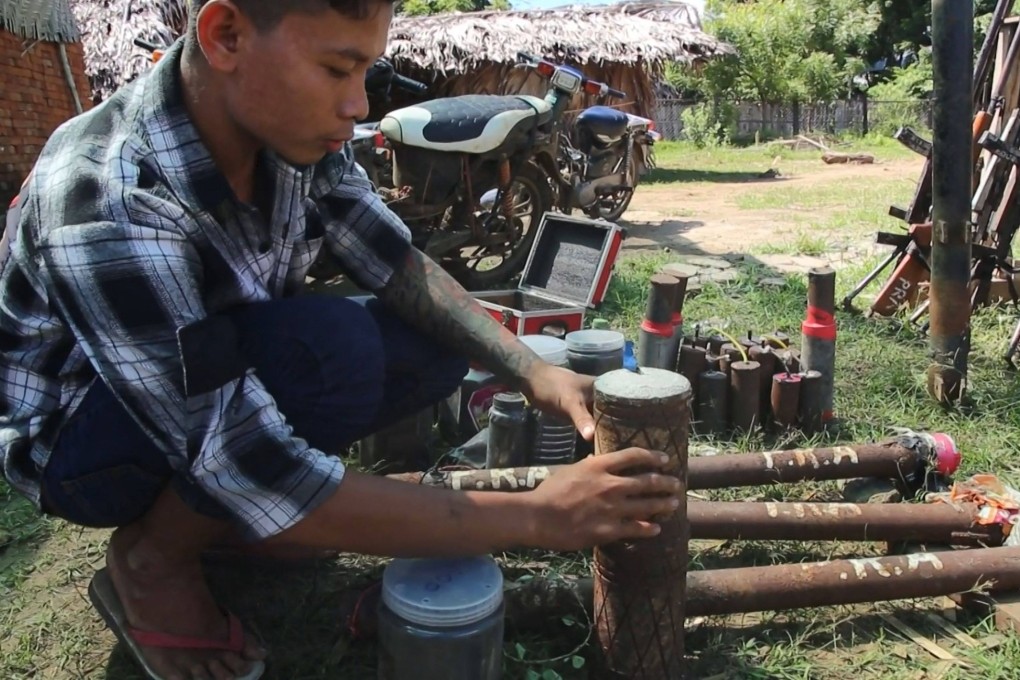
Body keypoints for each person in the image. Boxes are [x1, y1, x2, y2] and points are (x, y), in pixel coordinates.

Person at [0, 1, 682, 679]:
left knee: (430, 346)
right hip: (81, 445)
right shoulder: (110, 192)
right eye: (336, 69)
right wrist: (537, 517)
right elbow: (246, 459)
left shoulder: (291, 137)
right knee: (328, 351)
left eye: (365, 72)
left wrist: (533, 370)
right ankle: (153, 560)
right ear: (227, 36)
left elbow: (397, 262)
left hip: (205, 385)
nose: (357, 103)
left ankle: (229, 527)